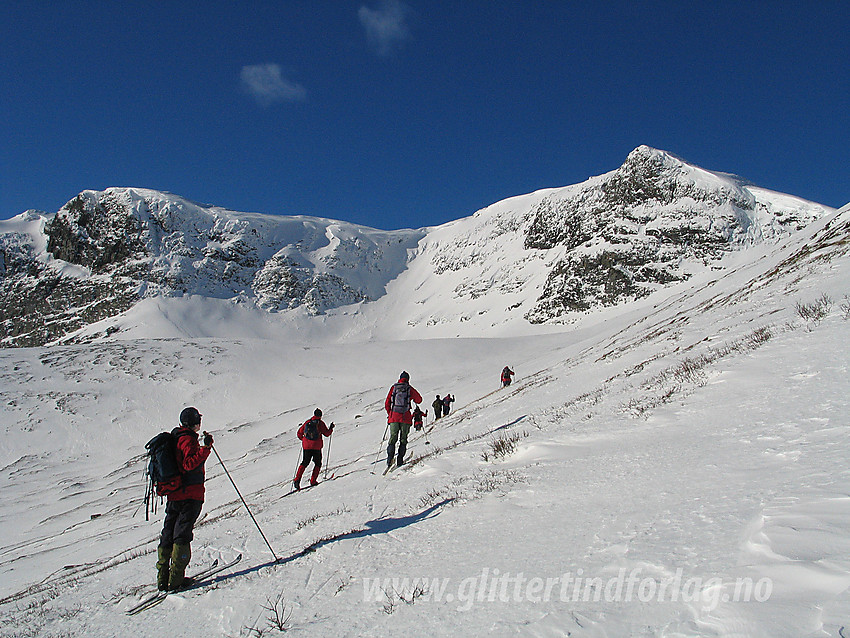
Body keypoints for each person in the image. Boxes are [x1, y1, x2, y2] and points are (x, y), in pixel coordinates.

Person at [157, 407, 213, 592]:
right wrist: (206, 449)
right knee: (181, 535)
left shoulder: (176, 437)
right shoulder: (188, 439)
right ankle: (176, 581)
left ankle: (162, 579)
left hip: (174, 494)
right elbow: (189, 464)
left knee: (168, 533)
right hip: (189, 494)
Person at [385, 371, 422, 467]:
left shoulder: (394, 388)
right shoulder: (409, 389)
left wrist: (390, 414)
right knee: (403, 439)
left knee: (393, 439)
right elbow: (419, 400)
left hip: (394, 417)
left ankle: (389, 459)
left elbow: (387, 403)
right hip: (406, 418)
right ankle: (400, 460)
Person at [294, 408, 334, 490]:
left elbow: (299, 433)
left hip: (306, 446)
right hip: (316, 446)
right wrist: (331, 429)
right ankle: (313, 481)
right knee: (318, 463)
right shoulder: (320, 423)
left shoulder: (307, 422)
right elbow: (326, 434)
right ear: (320, 415)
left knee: (304, 463)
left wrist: (305, 440)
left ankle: (297, 480)